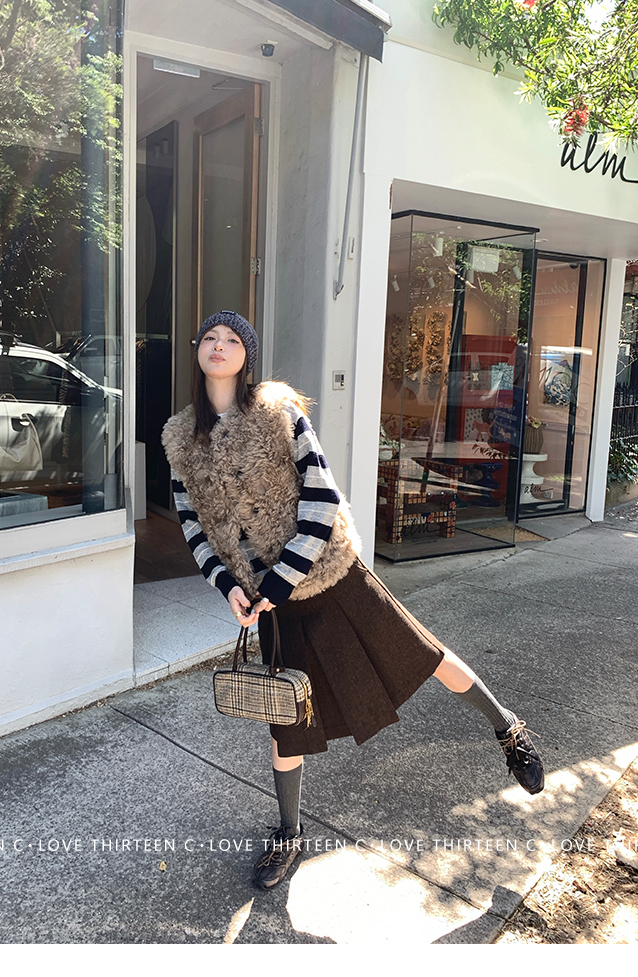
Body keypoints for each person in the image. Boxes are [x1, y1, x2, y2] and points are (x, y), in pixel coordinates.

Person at [162, 310, 544, 892]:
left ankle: (508, 729)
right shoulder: (180, 439)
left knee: (423, 655)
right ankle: (289, 833)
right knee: (285, 723)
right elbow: (194, 527)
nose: (219, 345)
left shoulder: (277, 413)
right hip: (265, 598)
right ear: (198, 349)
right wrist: (229, 586)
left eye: (232, 339)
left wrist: (278, 582)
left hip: (329, 571)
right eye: (210, 337)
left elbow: (322, 499)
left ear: (247, 355)